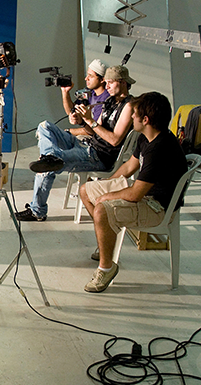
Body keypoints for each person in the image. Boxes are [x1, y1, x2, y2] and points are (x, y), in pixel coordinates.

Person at [78, 91, 187, 293]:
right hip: (144, 194)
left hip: (158, 207)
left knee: (102, 208)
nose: (132, 117)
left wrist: (106, 196)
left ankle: (106, 268)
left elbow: (136, 194)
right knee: (86, 190)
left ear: (145, 120)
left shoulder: (160, 148)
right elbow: (129, 167)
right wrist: (107, 184)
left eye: (135, 114)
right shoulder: (146, 137)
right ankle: (105, 240)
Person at [16, 65, 136, 222]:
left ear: (123, 82)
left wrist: (90, 121)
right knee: (45, 126)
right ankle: (50, 158)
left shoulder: (129, 106)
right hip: (88, 145)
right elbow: (93, 132)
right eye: (106, 82)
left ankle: (37, 211)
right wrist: (82, 121)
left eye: (110, 83)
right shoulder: (110, 101)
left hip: (99, 156)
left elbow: (115, 140)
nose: (107, 87)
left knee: (48, 165)